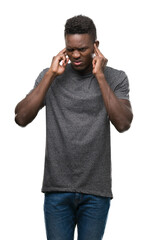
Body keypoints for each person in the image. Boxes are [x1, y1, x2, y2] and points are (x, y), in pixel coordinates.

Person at [15, 15, 133, 240]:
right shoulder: (50, 76)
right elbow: (21, 117)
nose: (76, 55)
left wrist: (99, 76)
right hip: (57, 189)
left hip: (96, 192)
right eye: (70, 49)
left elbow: (123, 123)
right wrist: (50, 75)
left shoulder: (115, 78)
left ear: (96, 46)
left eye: (83, 49)